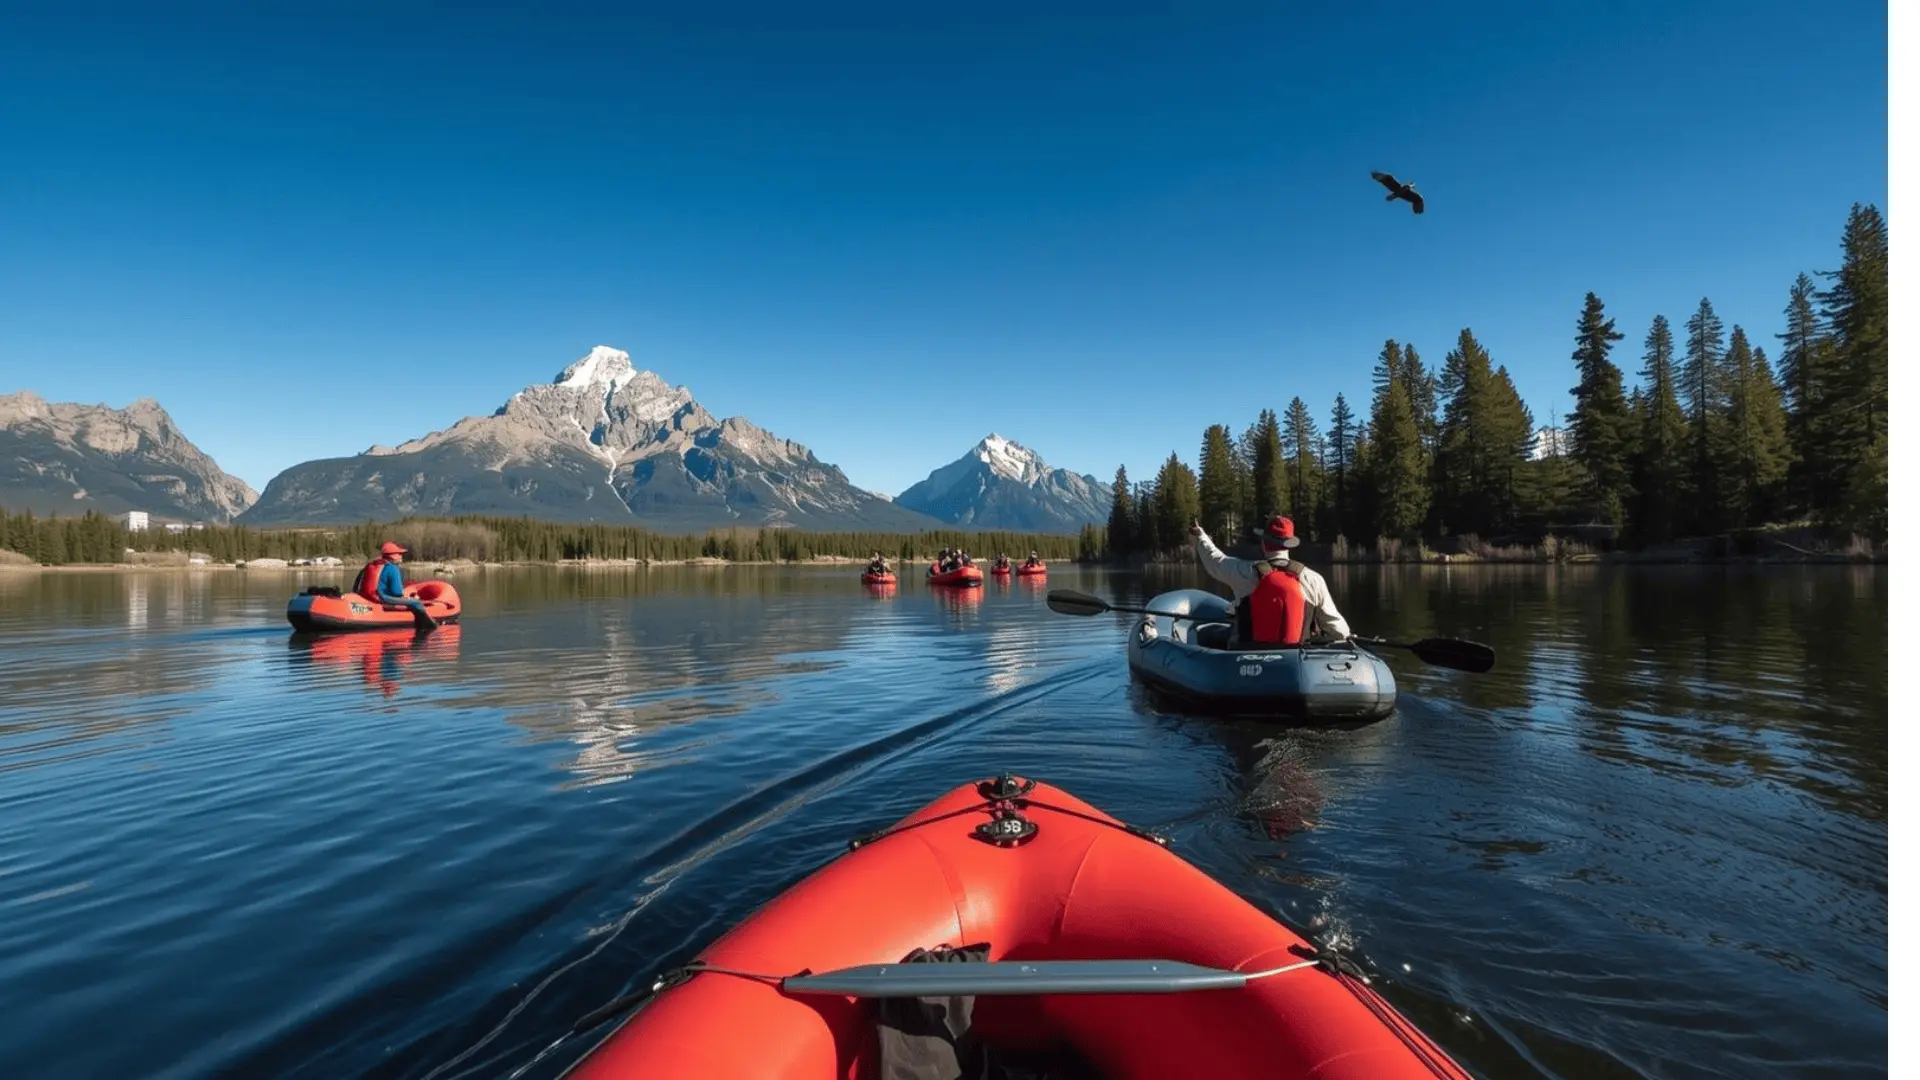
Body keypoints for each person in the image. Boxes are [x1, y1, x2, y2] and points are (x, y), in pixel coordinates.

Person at [1188, 515, 1350, 646]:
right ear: (1289, 545)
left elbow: (1215, 560)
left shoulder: (1244, 572)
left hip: (1248, 654)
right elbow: (1339, 631)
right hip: (1298, 656)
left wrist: (1201, 536)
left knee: (1207, 635)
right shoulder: (1313, 579)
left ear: (1264, 543)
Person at [352, 541, 438, 630]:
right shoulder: (393, 568)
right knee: (416, 603)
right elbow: (397, 592)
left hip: (368, 596)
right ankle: (432, 626)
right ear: (393, 556)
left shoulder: (372, 565)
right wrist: (409, 598)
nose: (401, 556)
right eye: (399, 554)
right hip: (382, 598)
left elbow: (358, 583)